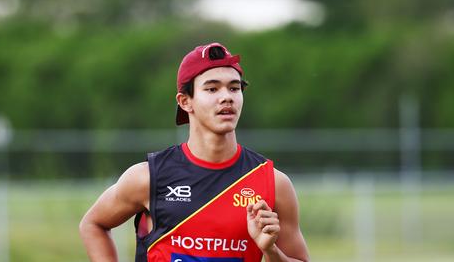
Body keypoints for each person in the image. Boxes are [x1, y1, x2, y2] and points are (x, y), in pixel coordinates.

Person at [79, 42, 310, 262]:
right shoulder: (148, 177)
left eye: (234, 87)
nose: (226, 96)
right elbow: (93, 224)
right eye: (212, 88)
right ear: (185, 101)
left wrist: (270, 250)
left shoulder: (273, 183)